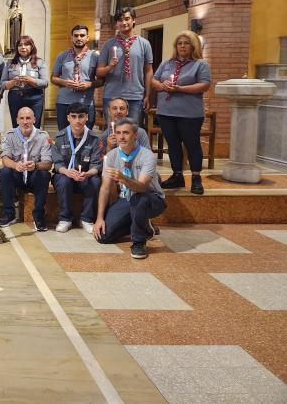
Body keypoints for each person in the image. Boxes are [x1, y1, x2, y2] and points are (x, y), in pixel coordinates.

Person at [93, 118, 166, 259]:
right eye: (118, 133)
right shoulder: (112, 156)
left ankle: (139, 242)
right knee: (103, 237)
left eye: (126, 133)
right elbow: (105, 189)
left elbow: (142, 187)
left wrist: (123, 179)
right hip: (126, 198)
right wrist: (99, 218)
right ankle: (143, 225)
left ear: (135, 135)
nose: (121, 137)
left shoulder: (147, 155)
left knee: (139, 199)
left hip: (151, 198)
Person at [151, 30, 211, 195]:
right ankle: (177, 175)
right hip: (166, 112)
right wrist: (162, 86)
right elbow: (154, 80)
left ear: (193, 46)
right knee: (173, 145)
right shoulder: (167, 63)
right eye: (179, 43)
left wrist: (180, 89)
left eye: (186, 43)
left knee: (192, 145)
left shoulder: (200, 64)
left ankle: (196, 178)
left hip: (190, 113)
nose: (182, 46)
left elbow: (205, 85)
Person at [51, 103, 103, 234]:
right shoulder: (58, 137)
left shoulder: (95, 139)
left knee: (95, 181)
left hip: (85, 176)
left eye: (81, 116)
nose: (77, 120)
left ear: (87, 117)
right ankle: (65, 219)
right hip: (65, 175)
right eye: (73, 117)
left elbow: (97, 165)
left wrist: (87, 174)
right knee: (63, 181)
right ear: (68, 118)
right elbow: (57, 164)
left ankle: (86, 218)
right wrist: (67, 172)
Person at [96, 7, 154, 124]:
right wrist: (110, 67)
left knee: (133, 134)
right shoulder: (108, 44)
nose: (124, 23)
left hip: (136, 96)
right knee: (113, 133)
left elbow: (148, 71)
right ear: (116, 23)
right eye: (120, 20)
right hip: (112, 95)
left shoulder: (144, 44)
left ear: (134, 20)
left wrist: (148, 95)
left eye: (127, 19)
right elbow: (99, 72)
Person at [0, 107, 52, 230]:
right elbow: (5, 159)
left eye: (28, 118)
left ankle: (38, 215)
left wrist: (36, 165)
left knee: (44, 174)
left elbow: (48, 163)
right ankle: (9, 214)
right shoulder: (9, 135)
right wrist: (16, 165)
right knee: (4, 172)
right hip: (17, 175)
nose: (25, 122)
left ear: (34, 119)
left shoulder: (43, 136)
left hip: (34, 176)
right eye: (22, 118)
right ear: (17, 120)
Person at [51, 25, 100, 131]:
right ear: (71, 37)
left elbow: (101, 80)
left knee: (87, 137)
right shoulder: (62, 56)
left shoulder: (95, 57)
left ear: (87, 38)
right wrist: (65, 83)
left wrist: (89, 84)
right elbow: (53, 78)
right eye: (76, 35)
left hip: (86, 102)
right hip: (64, 103)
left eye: (82, 35)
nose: (79, 38)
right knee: (64, 136)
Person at [2, 35, 49, 129]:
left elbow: (45, 82)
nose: (23, 47)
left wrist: (31, 80)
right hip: (15, 97)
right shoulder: (10, 63)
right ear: (17, 48)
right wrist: (12, 82)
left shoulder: (40, 62)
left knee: (34, 126)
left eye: (26, 45)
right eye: (20, 45)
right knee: (17, 126)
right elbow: (2, 83)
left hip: (34, 97)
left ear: (31, 47)